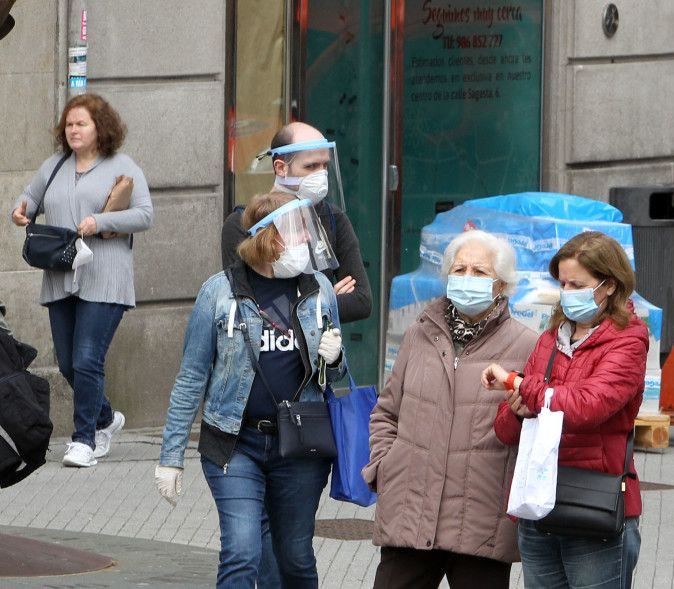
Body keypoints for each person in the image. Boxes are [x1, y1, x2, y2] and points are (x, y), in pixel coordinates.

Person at [156, 192, 346, 587]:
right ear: (266, 238)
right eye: (295, 232)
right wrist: (171, 456)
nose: (306, 242)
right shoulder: (218, 292)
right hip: (234, 442)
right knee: (242, 552)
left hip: (300, 447)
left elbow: (335, 378)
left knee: (294, 557)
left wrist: (335, 358)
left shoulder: (318, 290)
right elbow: (192, 376)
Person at [363, 230, 538, 589]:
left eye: (479, 272)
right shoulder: (420, 333)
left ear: (501, 285)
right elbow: (386, 412)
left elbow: (534, 429)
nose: (467, 279)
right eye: (459, 270)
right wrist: (386, 466)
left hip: (481, 519)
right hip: (410, 509)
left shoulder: (526, 345)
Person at [486, 231, 648, 589]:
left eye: (578, 284)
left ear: (609, 286)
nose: (567, 292)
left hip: (595, 510)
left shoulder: (629, 339)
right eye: (562, 282)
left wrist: (518, 385)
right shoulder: (551, 336)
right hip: (540, 506)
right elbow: (506, 430)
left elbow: (587, 407)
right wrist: (516, 409)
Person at [10, 93, 153, 468]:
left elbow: (144, 215)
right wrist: (20, 208)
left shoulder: (122, 166)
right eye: (69, 124)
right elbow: (30, 195)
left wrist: (100, 222)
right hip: (61, 274)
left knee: (89, 359)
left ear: (100, 127)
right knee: (69, 364)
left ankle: (84, 440)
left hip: (105, 275)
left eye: (81, 124)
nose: (73, 130)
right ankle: (106, 419)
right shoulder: (55, 164)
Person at [220, 122, 372, 324]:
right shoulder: (242, 223)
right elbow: (245, 309)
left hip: (319, 353)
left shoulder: (334, 218)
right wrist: (325, 301)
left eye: (325, 165)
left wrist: (283, 305)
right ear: (281, 167)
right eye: (311, 166)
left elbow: (361, 302)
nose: (321, 174)